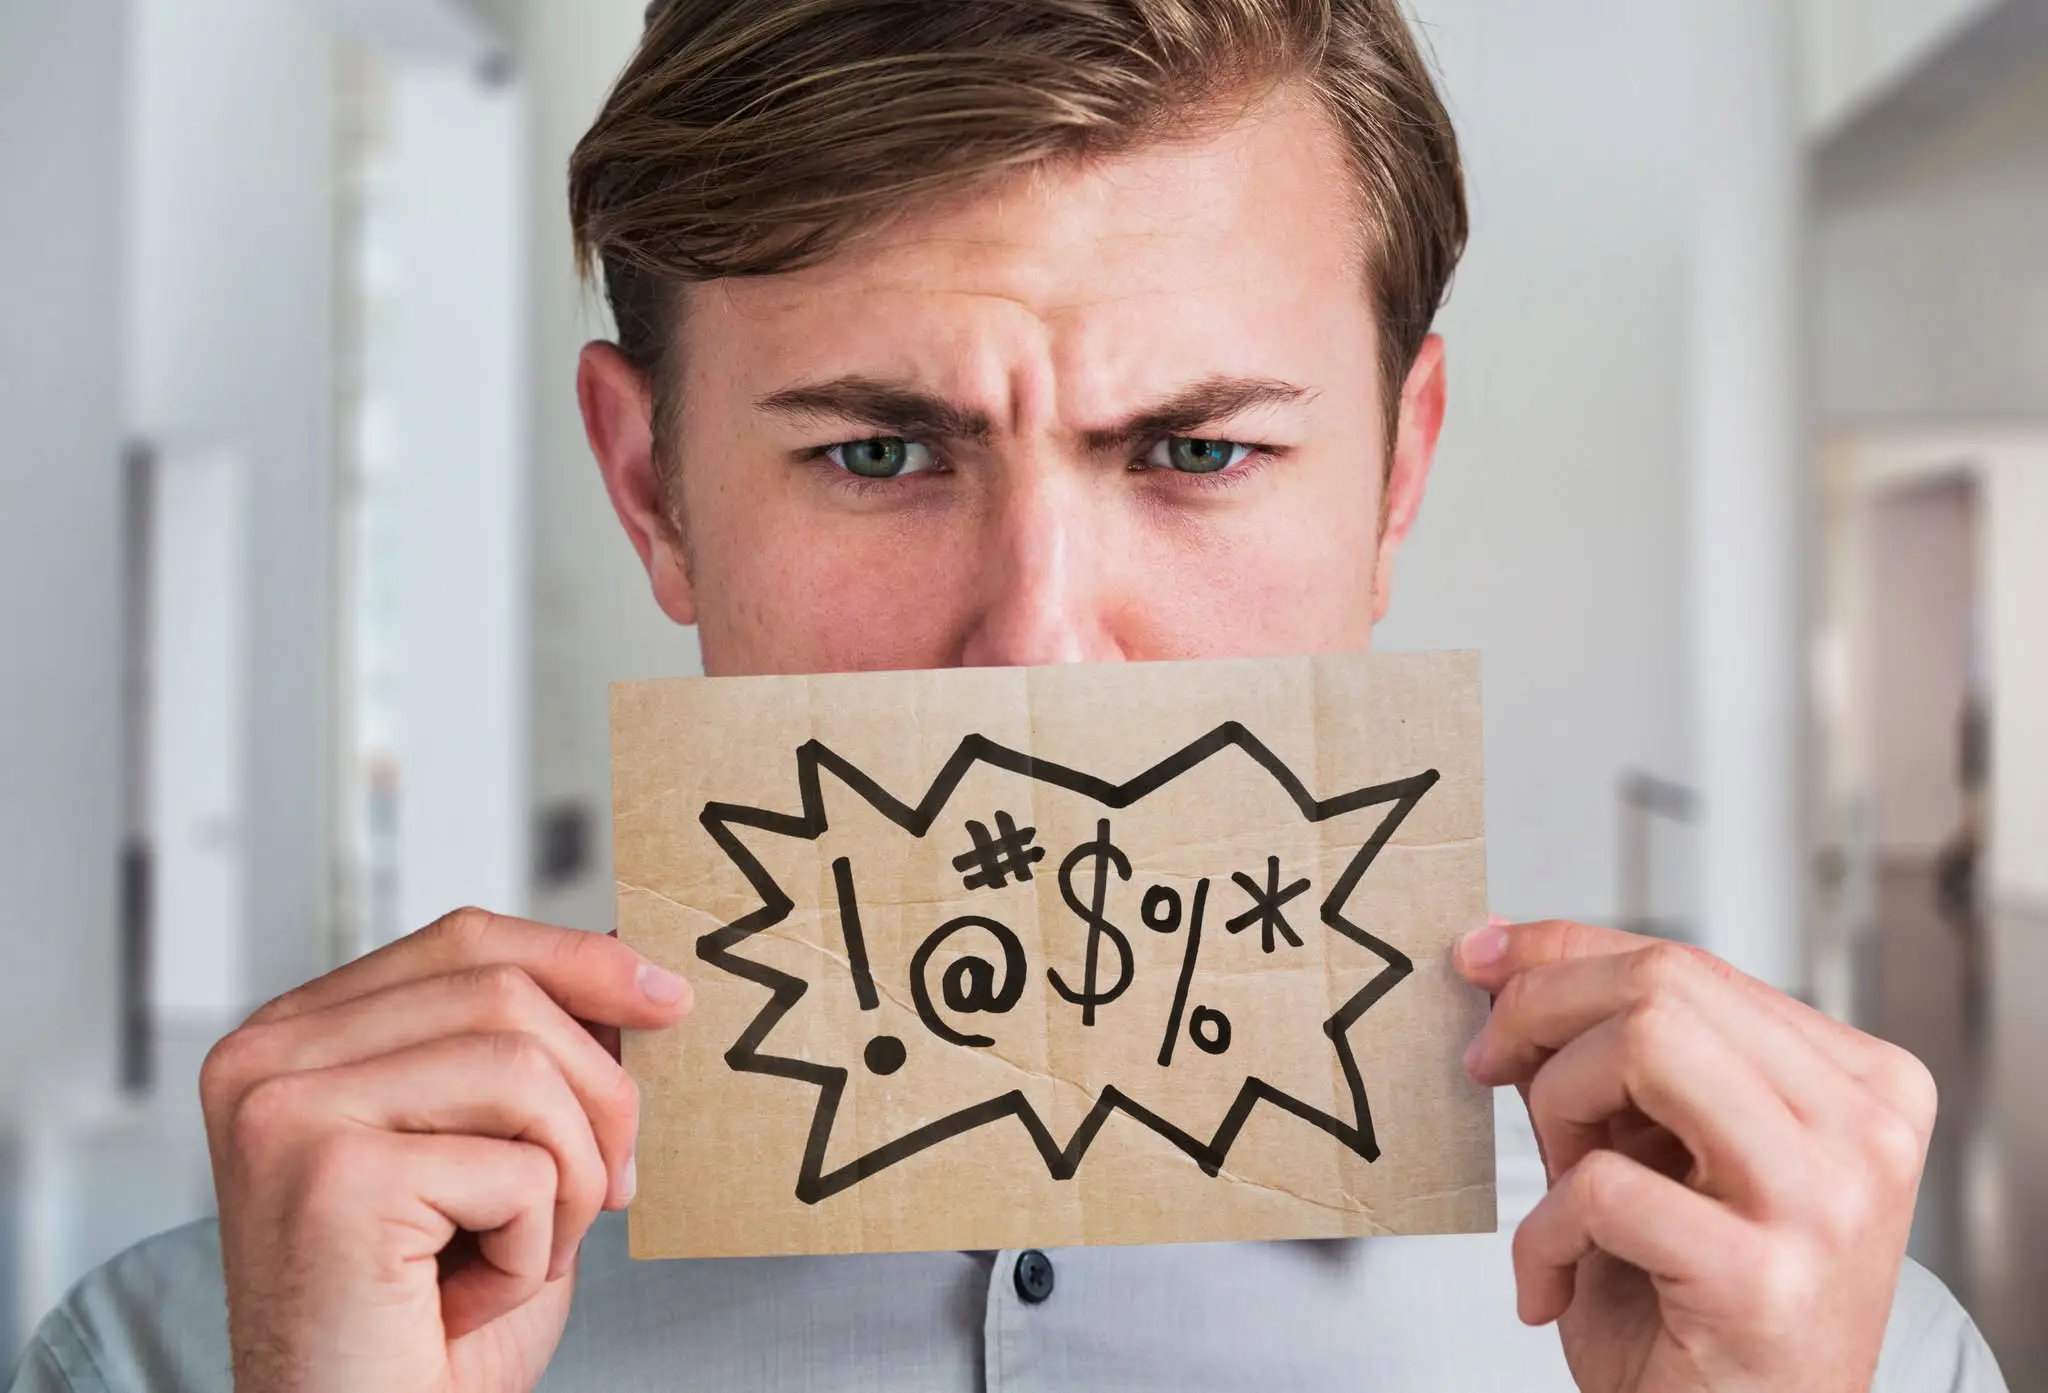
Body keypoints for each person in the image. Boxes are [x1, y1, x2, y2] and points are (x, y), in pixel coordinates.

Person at [11, 2, 2008, 1389]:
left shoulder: (1799, 1340)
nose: (1039, 643)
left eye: (1197, 453)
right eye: (878, 454)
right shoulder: (210, 1357)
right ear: (652, 488)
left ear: (1398, 473)